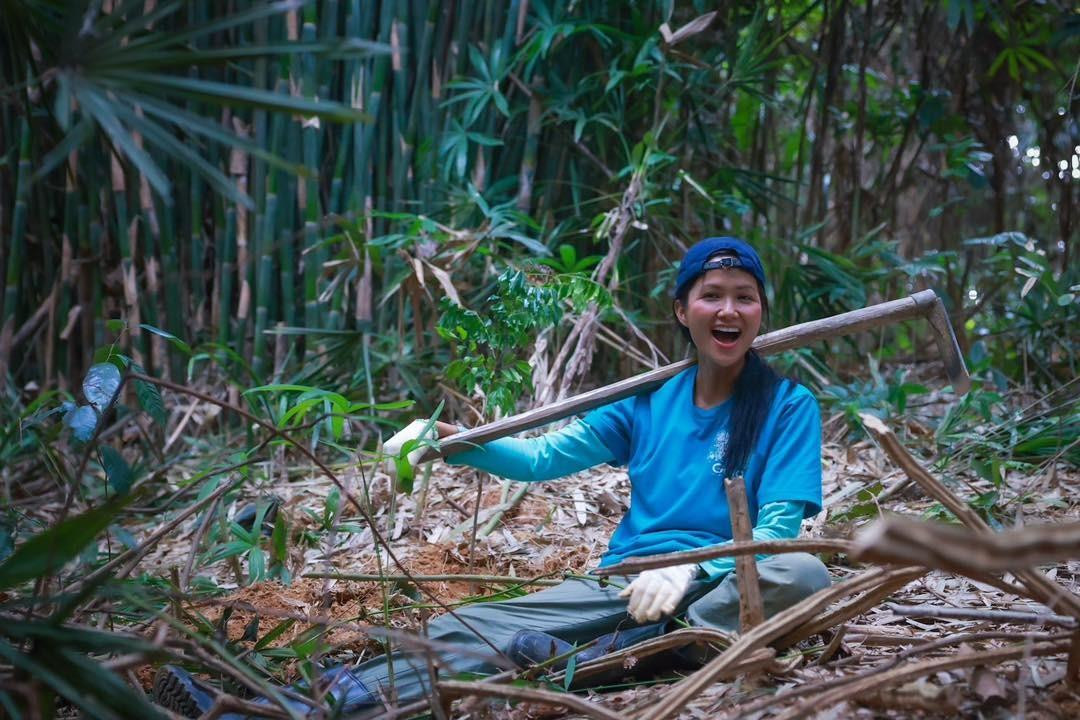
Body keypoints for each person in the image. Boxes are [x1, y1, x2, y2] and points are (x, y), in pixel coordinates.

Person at [154, 237, 830, 718]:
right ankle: (282, 707)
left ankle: (652, 649)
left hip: (713, 586)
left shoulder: (788, 405)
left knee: (804, 575)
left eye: (745, 297)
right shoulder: (647, 400)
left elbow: (776, 534)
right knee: (471, 629)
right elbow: (540, 458)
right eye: (711, 295)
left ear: (761, 312)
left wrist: (696, 569)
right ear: (683, 311)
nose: (729, 311)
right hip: (626, 583)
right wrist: (456, 444)